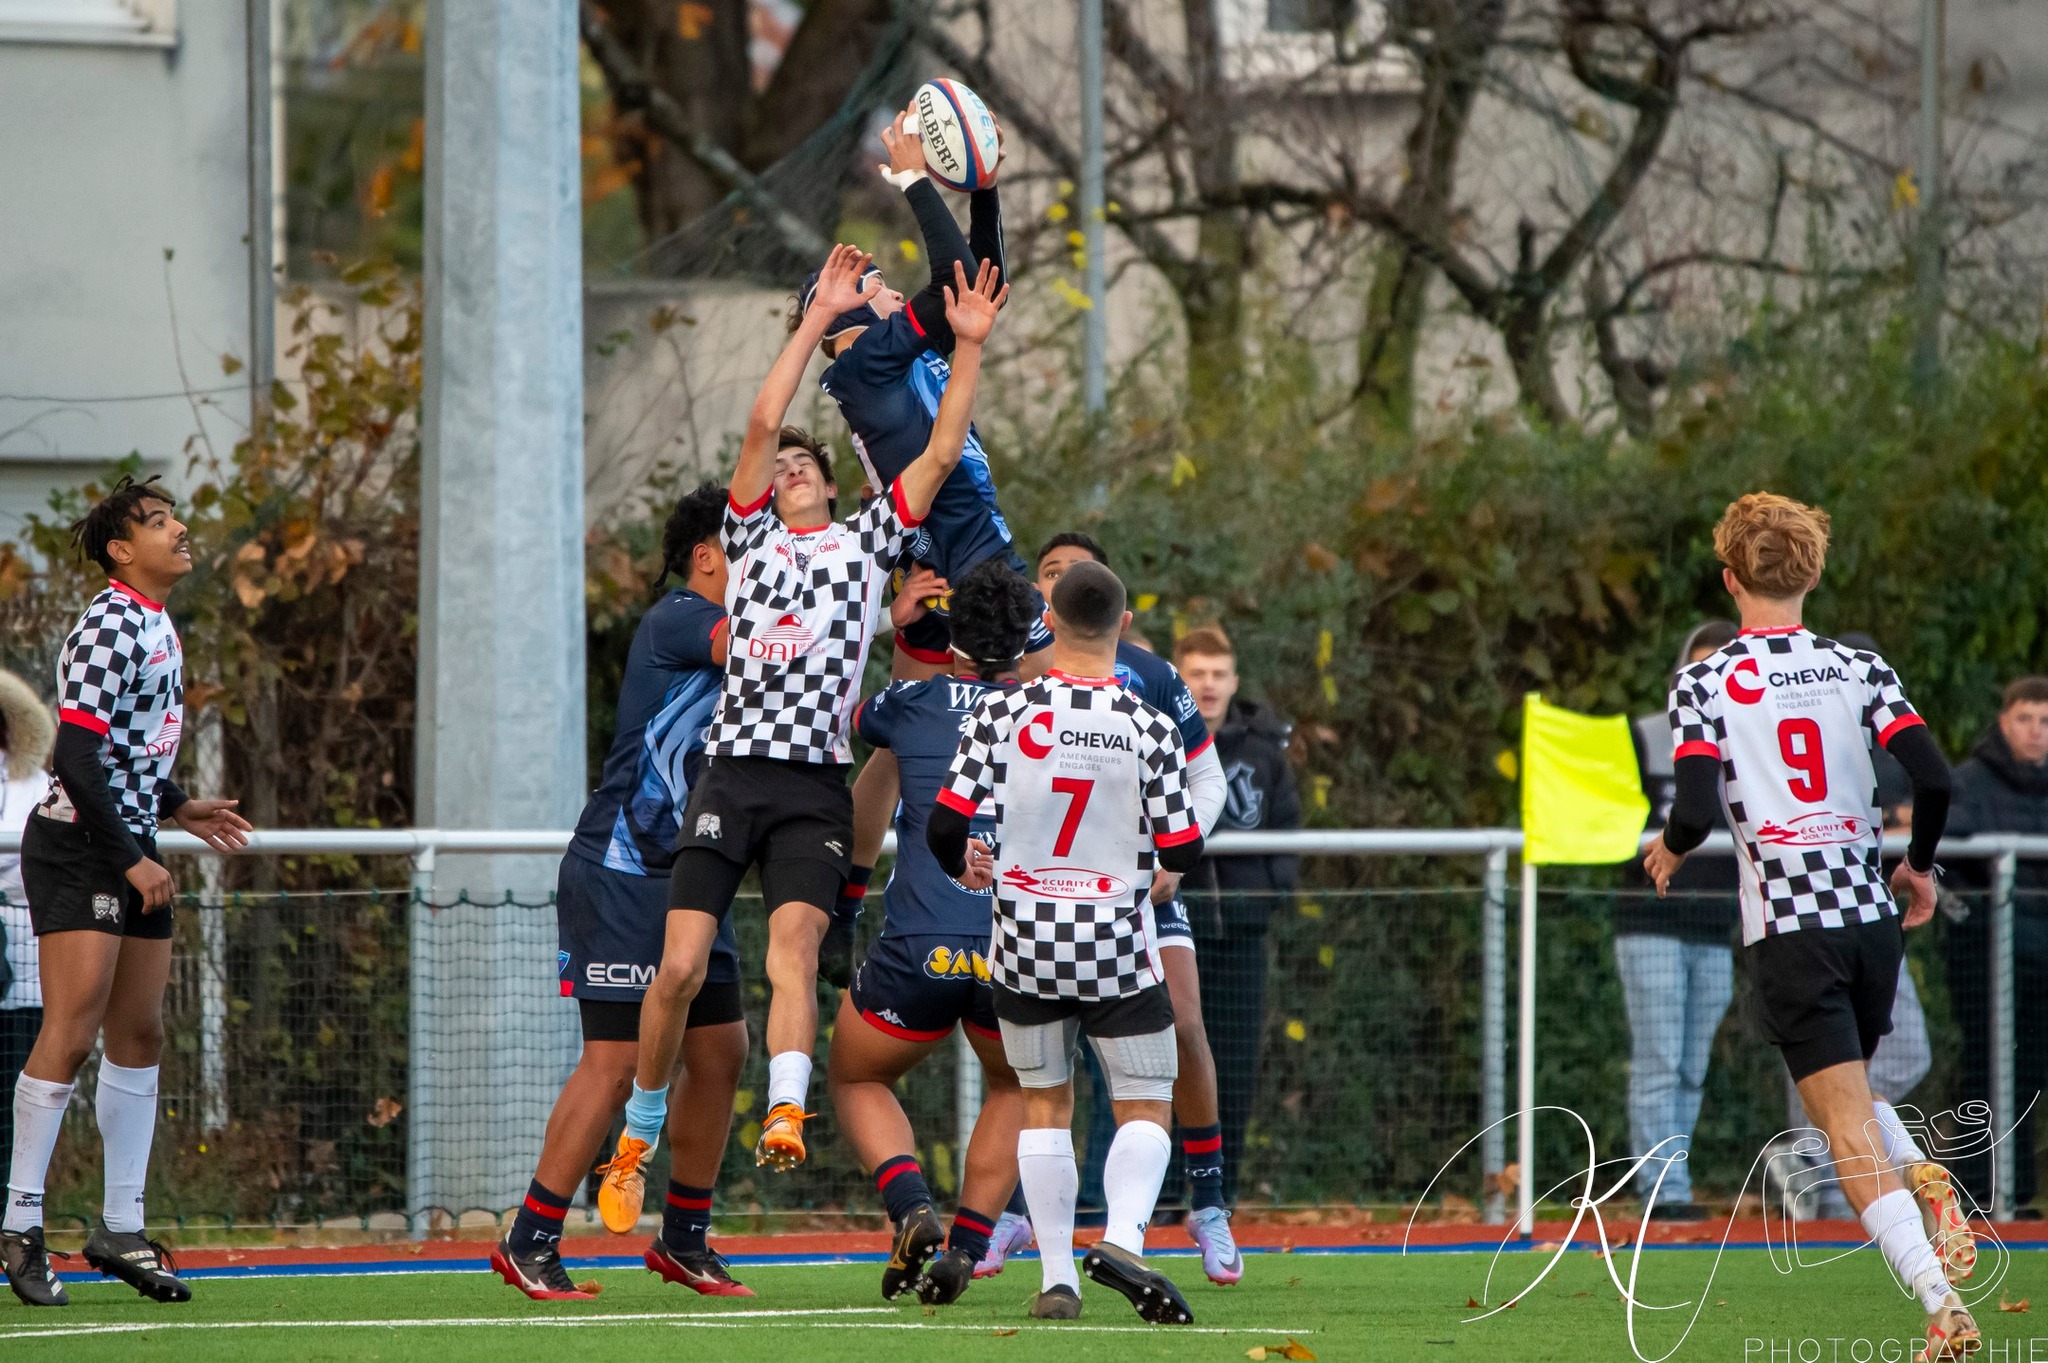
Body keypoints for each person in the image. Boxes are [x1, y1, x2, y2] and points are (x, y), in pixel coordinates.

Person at [595, 248, 1008, 1218]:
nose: (782, 467)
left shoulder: (869, 544)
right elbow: (756, 418)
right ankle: (638, 1132)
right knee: (680, 968)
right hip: (731, 777)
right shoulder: (748, 539)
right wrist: (814, 321)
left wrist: (971, 348)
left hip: (810, 787)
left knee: (791, 954)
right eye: (774, 466)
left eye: (798, 462)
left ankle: (783, 1113)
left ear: (825, 482)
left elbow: (942, 453)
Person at [1642, 492, 1977, 1361]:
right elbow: (1933, 779)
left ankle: (1941, 1303)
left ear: (1729, 578)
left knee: (1840, 1127)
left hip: (1789, 925)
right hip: (1869, 918)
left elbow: (1693, 806)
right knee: (1856, 1093)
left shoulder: (1705, 678)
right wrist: (1919, 867)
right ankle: (1925, 1173)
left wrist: (1672, 853)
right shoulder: (1858, 666)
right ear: (1813, 574)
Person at [493, 483, 752, 1301]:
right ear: (710, 557)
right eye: (761, 548)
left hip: (693, 871)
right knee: (613, 1061)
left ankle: (683, 1238)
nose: (781, 566)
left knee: (721, 1050)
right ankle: (529, 1236)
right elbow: (775, 643)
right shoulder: (682, 616)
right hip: (625, 869)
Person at [930, 558, 1205, 1323]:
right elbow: (1184, 847)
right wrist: (1155, 866)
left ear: (1048, 624)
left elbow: (945, 824)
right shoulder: (1148, 723)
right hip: (1114, 940)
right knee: (1147, 1102)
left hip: (1025, 938)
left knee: (1045, 1103)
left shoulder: (1001, 714)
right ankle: (1120, 1240)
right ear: (1121, 625)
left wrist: (969, 864)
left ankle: (1059, 1280)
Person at [1, 477, 252, 1309]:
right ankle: (22, 1225)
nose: (180, 530)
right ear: (120, 549)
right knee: (70, 1033)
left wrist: (178, 803)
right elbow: (72, 758)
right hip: (79, 848)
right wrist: (133, 857)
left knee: (139, 1030)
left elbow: (124, 750)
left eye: (173, 518)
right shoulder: (111, 619)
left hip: (128, 840)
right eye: (157, 521)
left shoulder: (152, 620)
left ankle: (118, 1225)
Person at [1027, 533, 1238, 1283]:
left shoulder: (1149, 676)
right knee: (1039, 1058)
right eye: (1049, 571)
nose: (1061, 582)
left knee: (1183, 1025)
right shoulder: (1019, 677)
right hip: (1044, 903)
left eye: (1074, 572)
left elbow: (1205, 780)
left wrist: (1169, 862)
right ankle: (1019, 1217)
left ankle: (1207, 1203)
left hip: (1139, 895)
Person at [827, 559, 1037, 1305]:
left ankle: (912, 1207)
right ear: (1028, 640)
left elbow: (839, 709)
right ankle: (969, 1246)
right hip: (1016, 951)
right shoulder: (1055, 712)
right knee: (1017, 1085)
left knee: (855, 1072)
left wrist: (888, 613)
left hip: (920, 943)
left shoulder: (910, 702)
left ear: (951, 638)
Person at [799, 100, 1050, 681]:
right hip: (973, 562)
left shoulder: (894, 357)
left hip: (943, 562)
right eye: (880, 285)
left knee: (907, 755)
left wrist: (985, 189)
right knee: (1061, 701)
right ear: (847, 312)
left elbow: (981, 285)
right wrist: (913, 179)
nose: (893, 293)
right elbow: (951, 280)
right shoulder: (864, 365)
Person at [1173, 626, 1301, 1211]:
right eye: (1197, 672)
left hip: (1243, 935)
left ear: (1235, 680)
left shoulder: (1263, 749)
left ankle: (1222, 1195)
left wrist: (1269, 896)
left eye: (1219, 673)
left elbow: (1286, 829)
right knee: (1169, 1064)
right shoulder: (1164, 738)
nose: (1209, 685)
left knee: (1236, 1068)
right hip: (1177, 934)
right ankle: (1169, 1193)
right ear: (1180, 675)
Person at [1621, 620, 1740, 1221]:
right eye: (1700, 665)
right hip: (1651, 922)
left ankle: (1677, 1182)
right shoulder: (1643, 735)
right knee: (1660, 1060)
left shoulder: (1756, 736)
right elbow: (1609, 822)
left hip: (1717, 926)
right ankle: (1660, 1192)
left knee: (1692, 1066)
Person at [1944, 674, 2048, 1215]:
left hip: (2041, 956)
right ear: (2004, 722)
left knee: (2029, 1069)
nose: (2036, 731)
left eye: (2045, 721)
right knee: (1988, 1067)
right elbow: (1954, 851)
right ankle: (1979, 1191)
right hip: (1988, 953)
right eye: (2025, 719)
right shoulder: (1970, 782)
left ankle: (2016, 1191)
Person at [0, 671, 54, 1169]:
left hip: (23, 981)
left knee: (14, 1110)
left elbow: (30, 869)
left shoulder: (38, 788)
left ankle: (13, 1225)